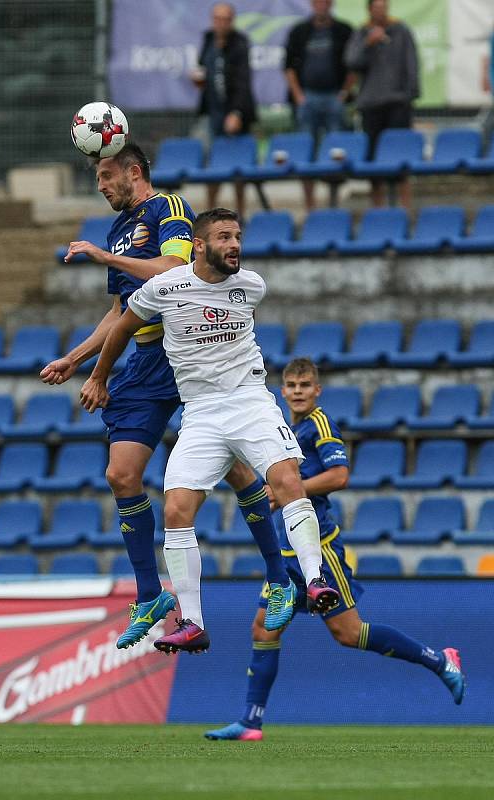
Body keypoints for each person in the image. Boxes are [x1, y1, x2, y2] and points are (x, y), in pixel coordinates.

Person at [40, 146, 292, 649]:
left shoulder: (169, 210)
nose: (101, 185)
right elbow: (125, 310)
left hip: (196, 353)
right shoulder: (118, 230)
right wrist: (78, 359)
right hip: (147, 359)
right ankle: (152, 594)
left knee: (240, 468)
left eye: (107, 174)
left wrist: (104, 256)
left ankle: (279, 578)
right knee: (121, 474)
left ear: (134, 172)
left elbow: (170, 273)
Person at [79, 208, 341, 654]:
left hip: (250, 403)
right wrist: (99, 375)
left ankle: (313, 581)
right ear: (199, 245)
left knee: (286, 479)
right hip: (200, 413)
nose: (235, 244)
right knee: (177, 509)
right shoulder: (164, 288)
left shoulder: (251, 285)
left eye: (237, 236)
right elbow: (123, 327)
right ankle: (193, 622)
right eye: (224, 237)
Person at [204, 358, 466, 741]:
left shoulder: (320, 426)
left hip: (319, 549)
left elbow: (340, 475)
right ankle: (250, 721)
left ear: (317, 390)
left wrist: (285, 490)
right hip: (286, 552)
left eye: (304, 385)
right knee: (262, 628)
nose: (296, 391)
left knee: (349, 633)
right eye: (291, 384)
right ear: (282, 390)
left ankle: (440, 661)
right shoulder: (284, 428)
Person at [345, 0, 419, 208]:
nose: (380, 12)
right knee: (374, 161)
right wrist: (368, 43)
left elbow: (411, 62)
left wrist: (410, 95)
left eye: (383, 7)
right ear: (369, 10)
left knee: (401, 157)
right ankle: (377, 211)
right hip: (371, 105)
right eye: (376, 8)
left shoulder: (401, 30)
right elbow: (351, 62)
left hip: (398, 103)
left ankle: (405, 209)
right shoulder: (361, 33)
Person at [284, 0, 354, 210]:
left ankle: (334, 205)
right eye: (317, 2)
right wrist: (298, 95)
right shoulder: (299, 31)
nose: (321, 5)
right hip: (308, 99)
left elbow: (353, 65)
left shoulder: (344, 30)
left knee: (336, 153)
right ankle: (310, 206)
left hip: (334, 97)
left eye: (325, 2)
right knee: (307, 154)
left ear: (330, 4)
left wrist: (344, 93)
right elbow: (288, 67)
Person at [192, 2, 256, 220]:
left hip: (234, 114)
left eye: (225, 19)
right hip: (212, 113)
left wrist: (237, 112)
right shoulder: (208, 40)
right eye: (217, 18)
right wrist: (198, 81)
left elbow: (243, 81)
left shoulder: (240, 43)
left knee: (238, 168)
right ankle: (210, 216)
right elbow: (203, 69)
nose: (221, 23)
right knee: (212, 166)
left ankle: (240, 214)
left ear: (232, 21)